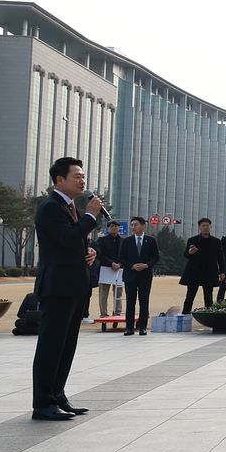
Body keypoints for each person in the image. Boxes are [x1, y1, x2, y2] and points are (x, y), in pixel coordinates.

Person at [31, 157, 101, 421]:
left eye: (83, 176)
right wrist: (91, 215)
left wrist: (89, 251)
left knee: (66, 345)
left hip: (74, 286)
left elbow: (72, 242)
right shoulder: (51, 207)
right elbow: (66, 237)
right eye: (77, 176)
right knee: (51, 346)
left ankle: (57, 395)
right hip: (57, 287)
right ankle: (42, 403)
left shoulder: (70, 206)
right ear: (60, 180)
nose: (82, 180)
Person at [118, 216, 159, 335]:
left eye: (135, 224)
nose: (133, 227)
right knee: (130, 301)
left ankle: (142, 327)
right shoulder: (127, 241)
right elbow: (121, 257)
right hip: (130, 275)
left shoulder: (151, 240)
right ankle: (129, 328)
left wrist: (146, 265)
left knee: (144, 301)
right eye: (132, 225)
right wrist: (132, 265)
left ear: (142, 226)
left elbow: (156, 257)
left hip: (145, 275)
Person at [179, 218, 224, 314]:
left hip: (209, 272)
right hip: (194, 272)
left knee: (208, 297)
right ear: (199, 227)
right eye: (203, 226)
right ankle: (185, 315)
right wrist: (190, 252)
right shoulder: (192, 240)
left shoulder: (216, 241)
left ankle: (209, 318)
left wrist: (222, 272)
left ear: (210, 227)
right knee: (190, 297)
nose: (205, 228)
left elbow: (220, 258)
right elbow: (185, 255)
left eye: (207, 225)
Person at [95, 221, 123, 319]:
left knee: (118, 292)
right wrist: (111, 263)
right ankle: (103, 313)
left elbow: (126, 255)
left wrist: (119, 264)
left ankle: (117, 312)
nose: (114, 228)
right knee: (103, 293)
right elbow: (99, 254)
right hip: (105, 268)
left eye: (116, 226)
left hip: (119, 270)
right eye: (111, 226)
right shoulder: (102, 240)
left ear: (119, 228)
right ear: (108, 228)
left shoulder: (123, 241)